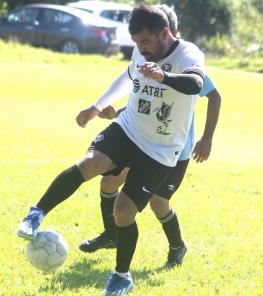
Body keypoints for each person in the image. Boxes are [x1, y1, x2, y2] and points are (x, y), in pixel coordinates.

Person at [17, 5, 205, 295]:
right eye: (137, 44)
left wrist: (162, 77)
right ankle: (36, 213)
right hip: (128, 129)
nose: (141, 49)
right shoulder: (140, 53)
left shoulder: (188, 54)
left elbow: (196, 83)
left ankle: (121, 276)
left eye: (145, 42)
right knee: (90, 164)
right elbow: (127, 77)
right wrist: (96, 106)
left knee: (123, 212)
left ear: (165, 33)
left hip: (160, 149)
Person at [78, 4, 222, 271]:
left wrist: (207, 138)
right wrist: (116, 113)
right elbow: (144, 100)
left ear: (169, 32)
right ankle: (110, 235)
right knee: (109, 180)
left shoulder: (186, 63)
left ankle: (177, 245)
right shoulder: (147, 58)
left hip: (173, 149)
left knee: (158, 203)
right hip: (140, 139)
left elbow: (213, 95)